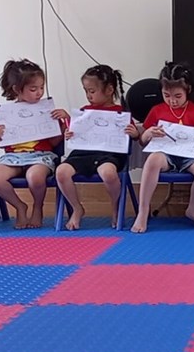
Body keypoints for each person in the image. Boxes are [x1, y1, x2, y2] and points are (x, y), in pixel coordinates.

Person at [131, 62, 194, 233]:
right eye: (166, 95)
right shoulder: (157, 110)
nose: (172, 101)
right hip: (165, 154)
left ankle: (192, 209)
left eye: (178, 96)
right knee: (152, 160)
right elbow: (142, 141)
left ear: (188, 90)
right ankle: (143, 211)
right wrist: (149, 133)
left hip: (191, 156)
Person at [55, 64, 139, 230]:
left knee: (108, 173)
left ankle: (115, 206)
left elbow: (133, 135)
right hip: (83, 153)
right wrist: (69, 131)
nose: (88, 95)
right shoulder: (84, 111)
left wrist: (134, 133)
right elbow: (74, 132)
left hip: (109, 154)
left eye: (92, 91)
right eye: (86, 91)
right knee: (61, 172)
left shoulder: (121, 113)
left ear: (109, 90)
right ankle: (77, 208)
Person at [0, 59, 65, 229]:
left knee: (34, 177)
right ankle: (19, 206)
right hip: (13, 157)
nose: (39, 93)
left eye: (42, 87)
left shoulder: (47, 111)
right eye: (33, 89)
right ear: (17, 89)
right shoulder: (5, 113)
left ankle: (38, 207)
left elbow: (54, 142)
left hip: (41, 156)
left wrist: (62, 125)